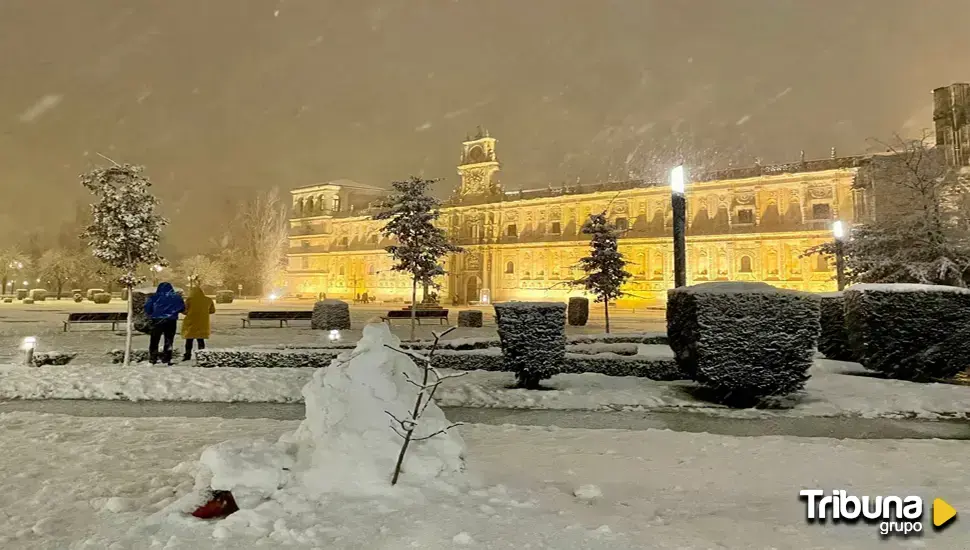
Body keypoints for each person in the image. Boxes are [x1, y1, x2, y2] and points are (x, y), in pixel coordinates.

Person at [144, 282, 185, 365]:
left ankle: (153, 358)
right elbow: (181, 308)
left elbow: (148, 308)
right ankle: (167, 358)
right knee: (169, 340)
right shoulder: (176, 297)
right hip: (171, 321)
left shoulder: (154, 297)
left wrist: (152, 313)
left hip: (157, 320)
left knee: (154, 340)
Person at [181, 286, 216, 361]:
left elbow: (185, 311)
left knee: (189, 340)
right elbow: (212, 311)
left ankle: (187, 355)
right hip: (202, 323)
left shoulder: (189, 300)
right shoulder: (208, 300)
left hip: (191, 322)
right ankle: (201, 355)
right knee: (200, 340)